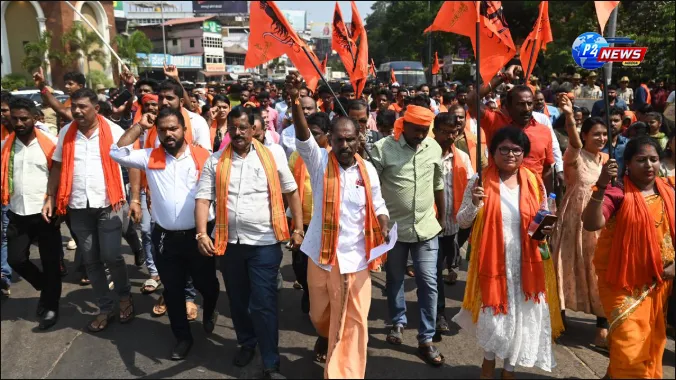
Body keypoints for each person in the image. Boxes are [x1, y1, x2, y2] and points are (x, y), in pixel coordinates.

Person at [194, 106, 303, 379]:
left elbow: (291, 190)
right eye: (233, 128)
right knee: (238, 300)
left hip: (265, 243)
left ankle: (270, 360)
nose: (238, 133)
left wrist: (298, 228)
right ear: (228, 130)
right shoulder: (215, 161)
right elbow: (203, 198)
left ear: (253, 128)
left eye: (243, 127)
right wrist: (201, 233)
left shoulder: (272, 157)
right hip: (229, 244)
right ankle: (246, 342)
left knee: (263, 302)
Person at [291, 82, 390, 379]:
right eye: (339, 140)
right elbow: (303, 136)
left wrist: (383, 222)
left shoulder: (368, 170)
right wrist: (296, 101)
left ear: (359, 140)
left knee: (354, 322)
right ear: (330, 140)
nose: (344, 145)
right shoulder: (319, 161)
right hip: (321, 256)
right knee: (321, 316)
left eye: (350, 139)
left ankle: (344, 373)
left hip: (356, 258)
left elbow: (379, 204)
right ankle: (324, 334)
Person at [110, 107, 220, 360]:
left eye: (173, 128)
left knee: (207, 285)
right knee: (172, 289)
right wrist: (140, 126)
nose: (168, 134)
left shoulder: (204, 157)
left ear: (184, 129)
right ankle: (182, 337)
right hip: (165, 239)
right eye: (163, 130)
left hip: (199, 236)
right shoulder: (150, 156)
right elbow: (116, 152)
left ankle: (211, 307)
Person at [455, 127, 559, 378]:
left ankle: (509, 368)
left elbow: (543, 219)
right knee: (494, 313)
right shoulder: (478, 180)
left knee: (521, 315)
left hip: (527, 260)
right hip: (492, 258)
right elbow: (462, 221)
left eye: (516, 150)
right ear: (493, 152)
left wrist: (548, 224)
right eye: (504, 149)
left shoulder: (534, 182)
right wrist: (475, 203)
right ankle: (488, 361)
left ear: (524, 154)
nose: (510, 154)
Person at [582, 137, 674, 379]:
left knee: (647, 344)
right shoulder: (618, 192)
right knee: (630, 343)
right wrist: (601, 187)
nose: (648, 165)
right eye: (641, 160)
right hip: (620, 281)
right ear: (628, 164)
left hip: (658, 282)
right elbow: (591, 223)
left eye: (653, 159)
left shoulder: (669, 191)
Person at [42, 88, 133, 332]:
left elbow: (133, 162)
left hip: (109, 203)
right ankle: (105, 307)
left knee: (112, 255)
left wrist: (135, 198)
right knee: (91, 261)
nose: (77, 111)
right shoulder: (66, 133)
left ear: (96, 109)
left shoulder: (114, 131)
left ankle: (124, 296)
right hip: (78, 206)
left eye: (83, 107)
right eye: (74, 107)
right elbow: (58, 166)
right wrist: (50, 196)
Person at [371, 104, 446, 367]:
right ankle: (398, 322)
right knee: (394, 279)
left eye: (426, 130)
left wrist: (443, 216)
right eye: (417, 130)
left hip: (427, 229)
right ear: (405, 125)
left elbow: (438, 184)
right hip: (394, 231)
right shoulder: (382, 149)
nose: (421, 135)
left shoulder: (434, 148)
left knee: (429, 282)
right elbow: (372, 187)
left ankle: (426, 339)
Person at [551, 94, 611, 347]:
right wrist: (568, 116)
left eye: (605, 134)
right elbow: (574, 142)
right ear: (585, 135)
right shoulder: (574, 156)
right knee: (565, 267)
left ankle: (601, 330)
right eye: (596, 134)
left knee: (599, 273)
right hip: (573, 223)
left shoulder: (607, 161)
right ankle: (557, 319)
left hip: (597, 224)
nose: (601, 138)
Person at [1, 98, 61, 328]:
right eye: (14, 118)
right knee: (16, 259)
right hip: (17, 211)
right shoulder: (7, 144)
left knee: (50, 262)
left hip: (45, 212)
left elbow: (60, 176)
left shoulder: (51, 144)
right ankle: (46, 288)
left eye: (24, 118)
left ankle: (51, 306)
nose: (19, 122)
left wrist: (57, 204)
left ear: (35, 118)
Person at [468, 68, 555, 186]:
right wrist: (503, 77)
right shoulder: (495, 122)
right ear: (508, 106)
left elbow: (547, 169)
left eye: (529, 103)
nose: (526, 109)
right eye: (521, 104)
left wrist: (549, 200)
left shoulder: (544, 131)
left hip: (533, 197)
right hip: (498, 192)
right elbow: (472, 99)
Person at [432, 112, 474, 333]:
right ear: (435, 131)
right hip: (431, 226)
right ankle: (438, 314)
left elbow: (470, 189)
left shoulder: (463, 158)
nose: (450, 136)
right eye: (445, 132)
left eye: (454, 132)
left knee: (448, 265)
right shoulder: (426, 156)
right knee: (435, 272)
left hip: (455, 226)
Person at [286, 112, 331, 315]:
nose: (310, 139)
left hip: (326, 222)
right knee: (300, 266)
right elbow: (290, 189)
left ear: (327, 135)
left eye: (315, 134)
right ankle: (308, 291)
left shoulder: (335, 157)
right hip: (302, 221)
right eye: (307, 134)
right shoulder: (297, 155)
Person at [600, 107, 629, 175]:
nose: (612, 124)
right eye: (608, 121)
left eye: (616, 120)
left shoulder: (628, 144)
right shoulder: (597, 145)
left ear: (622, 122)